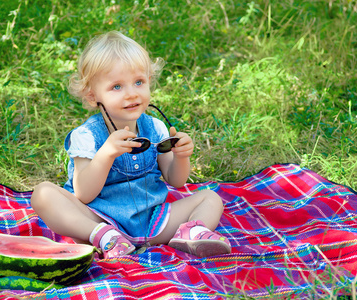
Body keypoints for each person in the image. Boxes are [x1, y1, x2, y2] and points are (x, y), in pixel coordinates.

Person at [31, 31, 231, 259]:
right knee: (42, 193)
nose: (131, 94)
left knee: (211, 198)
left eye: (139, 82)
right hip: (100, 218)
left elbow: (176, 180)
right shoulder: (87, 136)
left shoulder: (155, 128)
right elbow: (83, 194)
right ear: (91, 96)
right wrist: (106, 154)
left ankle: (193, 232)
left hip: (154, 221)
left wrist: (182, 157)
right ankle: (103, 237)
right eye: (117, 87)